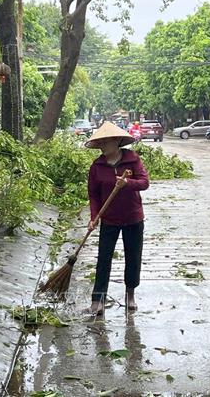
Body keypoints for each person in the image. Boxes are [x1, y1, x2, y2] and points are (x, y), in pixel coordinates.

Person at [84, 121, 150, 315]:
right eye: (100, 144)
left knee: (133, 256)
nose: (102, 147)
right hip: (109, 219)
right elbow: (93, 195)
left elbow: (144, 183)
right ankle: (98, 299)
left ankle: (130, 294)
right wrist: (94, 217)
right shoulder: (97, 166)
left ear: (116, 142)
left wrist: (126, 183)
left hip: (133, 217)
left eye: (105, 143)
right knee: (103, 258)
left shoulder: (132, 160)